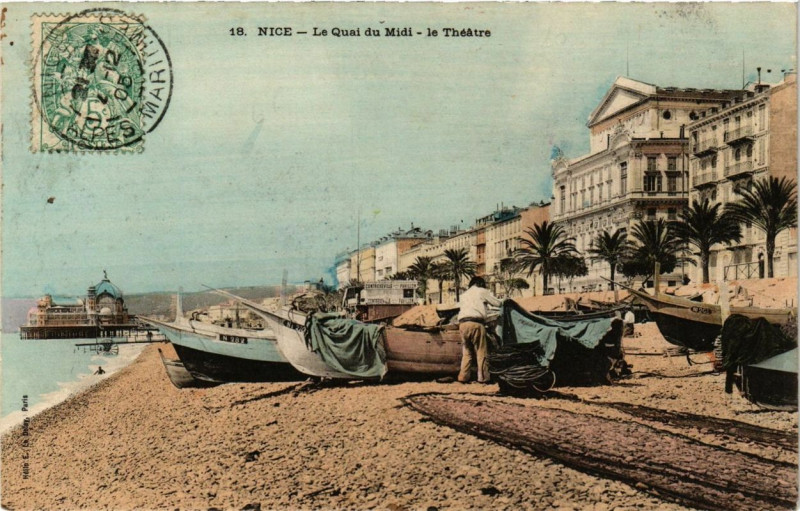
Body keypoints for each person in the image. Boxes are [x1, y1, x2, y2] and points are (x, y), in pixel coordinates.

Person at [457, 276, 502, 383]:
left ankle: (463, 377)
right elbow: (498, 303)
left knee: (467, 351)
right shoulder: (481, 291)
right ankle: (483, 378)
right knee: (481, 351)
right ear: (480, 284)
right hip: (476, 323)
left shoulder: (464, 295)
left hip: (463, 324)